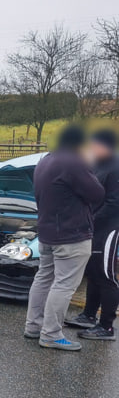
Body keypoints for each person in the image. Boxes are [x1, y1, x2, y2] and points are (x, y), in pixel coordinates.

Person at [23, 125, 105, 351]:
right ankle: (50, 334)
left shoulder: (45, 160)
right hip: (71, 235)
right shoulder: (74, 162)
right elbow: (97, 193)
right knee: (64, 285)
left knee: (43, 278)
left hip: (47, 234)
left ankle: (33, 326)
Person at [67, 129, 119, 341]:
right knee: (93, 273)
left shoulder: (115, 167)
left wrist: (92, 218)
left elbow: (114, 203)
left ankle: (106, 327)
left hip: (109, 228)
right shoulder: (98, 164)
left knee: (106, 275)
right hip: (93, 227)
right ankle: (89, 315)